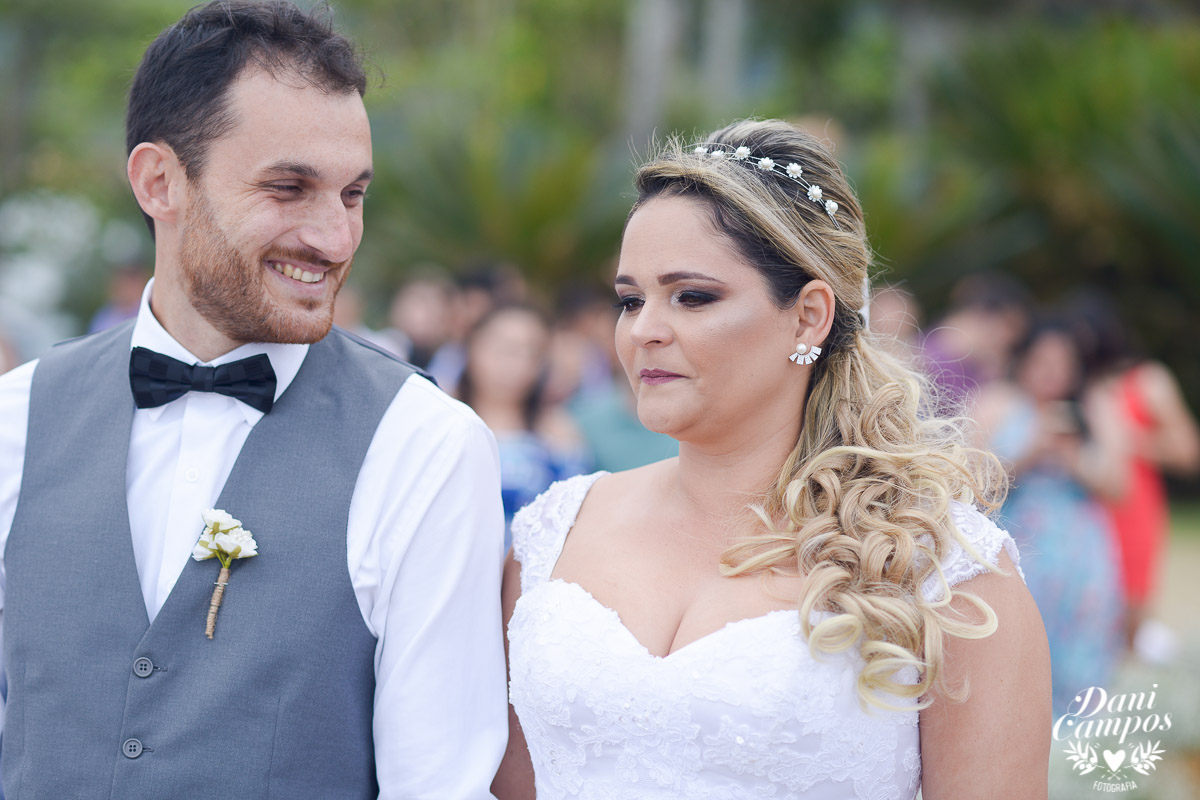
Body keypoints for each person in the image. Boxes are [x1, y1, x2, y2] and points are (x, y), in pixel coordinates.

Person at [0, 2, 507, 797]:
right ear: (159, 181)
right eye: (289, 187)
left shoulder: (425, 445)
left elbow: (437, 783)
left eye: (351, 195)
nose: (335, 238)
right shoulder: (14, 420)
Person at [493, 120, 1051, 799]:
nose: (644, 331)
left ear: (809, 315)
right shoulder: (554, 533)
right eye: (630, 300)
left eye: (692, 296)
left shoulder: (946, 573)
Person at [974, 317, 1127, 714]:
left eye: (1061, 364)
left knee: (1081, 643)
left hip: (1079, 550)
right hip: (1017, 545)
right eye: (1042, 361)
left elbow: (1118, 486)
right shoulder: (1000, 403)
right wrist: (1030, 453)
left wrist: (1072, 457)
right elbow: (972, 483)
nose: (1050, 373)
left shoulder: (1092, 408)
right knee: (1013, 644)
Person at [1067, 289, 1200, 656]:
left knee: (1131, 610)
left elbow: (1188, 452)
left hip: (1133, 507)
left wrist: (1128, 439)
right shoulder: (1069, 383)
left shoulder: (1148, 380)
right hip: (1079, 509)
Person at [456, 304, 590, 550]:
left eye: (531, 353)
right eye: (505, 350)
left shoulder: (557, 431)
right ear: (472, 347)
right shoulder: (442, 419)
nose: (516, 364)